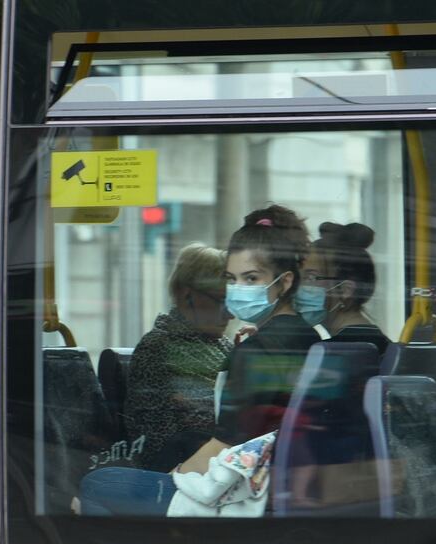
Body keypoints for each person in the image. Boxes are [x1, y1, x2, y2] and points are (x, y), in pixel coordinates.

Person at [78, 205, 317, 516]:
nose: (236, 295)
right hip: (276, 479)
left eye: (251, 278)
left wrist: (168, 482)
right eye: (231, 280)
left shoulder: (257, 350)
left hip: (242, 490)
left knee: (97, 485)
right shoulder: (308, 337)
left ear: (284, 283)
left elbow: (222, 445)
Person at [123, 243, 232, 472]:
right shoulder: (158, 348)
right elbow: (157, 442)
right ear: (186, 294)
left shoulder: (224, 346)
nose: (230, 313)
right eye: (221, 300)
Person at [297, 222, 390, 354]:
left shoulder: (330, 354)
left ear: (345, 290)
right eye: (299, 277)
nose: (298, 287)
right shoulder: (382, 344)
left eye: (311, 278)